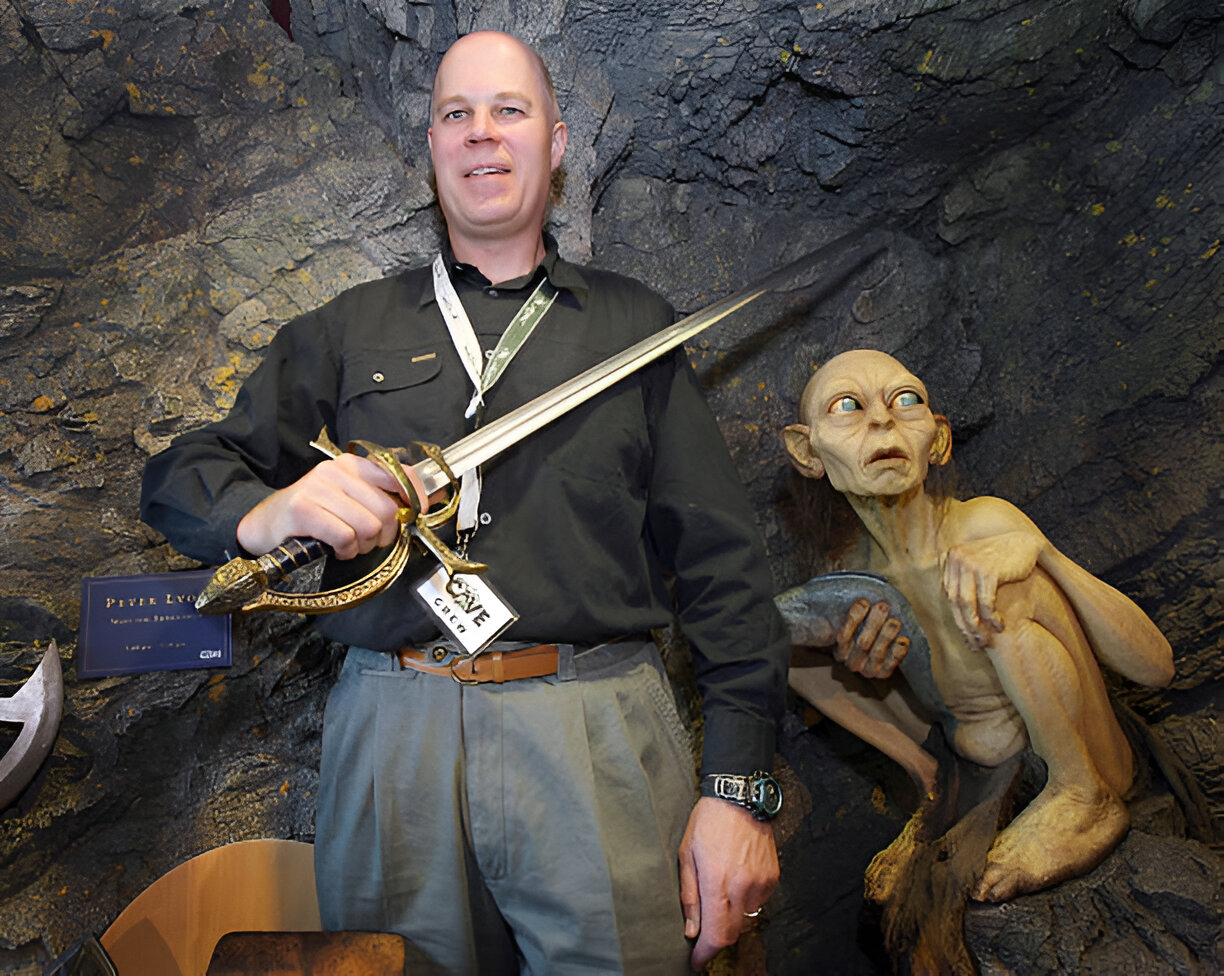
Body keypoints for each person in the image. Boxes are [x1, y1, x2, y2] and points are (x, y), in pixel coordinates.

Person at [141, 31, 791, 973]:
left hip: (594, 728)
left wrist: (738, 791)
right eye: (457, 114)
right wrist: (268, 513)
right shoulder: (349, 327)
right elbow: (178, 474)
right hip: (389, 736)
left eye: (508, 111)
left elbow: (724, 567)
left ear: (557, 143)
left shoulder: (634, 327)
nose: (481, 134)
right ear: (434, 145)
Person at [780, 349, 1174, 902]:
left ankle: (1080, 795)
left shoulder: (984, 522)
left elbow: (1155, 667)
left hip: (1090, 750)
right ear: (807, 450)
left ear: (937, 440)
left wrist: (1039, 553)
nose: (881, 420)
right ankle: (931, 787)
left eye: (906, 400)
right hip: (977, 761)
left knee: (995, 577)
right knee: (782, 640)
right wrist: (861, 665)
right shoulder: (849, 578)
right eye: (847, 406)